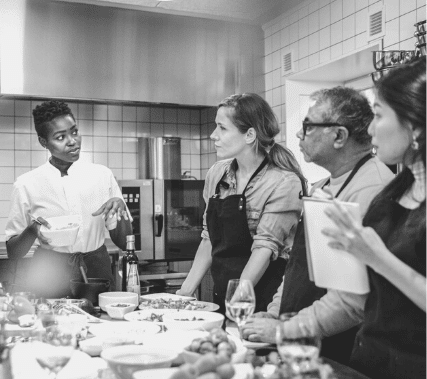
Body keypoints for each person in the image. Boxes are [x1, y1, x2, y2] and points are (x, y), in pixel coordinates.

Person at [279, 56, 425, 379]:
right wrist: (290, 324)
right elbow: (356, 292)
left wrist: (378, 258)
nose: (371, 129)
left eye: (380, 115)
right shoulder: (391, 197)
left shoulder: (376, 187)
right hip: (368, 361)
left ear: (414, 126)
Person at [240, 86, 395, 365]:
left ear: (339, 136)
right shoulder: (321, 187)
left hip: (342, 349)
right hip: (304, 341)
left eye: (308, 126)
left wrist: (284, 329)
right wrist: (276, 312)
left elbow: (351, 301)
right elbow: (300, 267)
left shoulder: (373, 190)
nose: (300, 134)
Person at [177, 93, 306, 313]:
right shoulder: (217, 174)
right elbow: (209, 238)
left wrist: (236, 302)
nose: (213, 135)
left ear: (249, 135)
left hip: (265, 303)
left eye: (222, 128)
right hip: (225, 296)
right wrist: (183, 295)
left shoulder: (284, 182)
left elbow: (264, 248)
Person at [6, 100, 132, 298]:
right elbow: (13, 252)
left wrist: (120, 209)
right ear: (43, 142)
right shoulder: (27, 184)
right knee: (51, 326)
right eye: (60, 137)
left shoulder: (102, 176)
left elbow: (125, 242)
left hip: (96, 270)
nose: (72, 141)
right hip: (49, 273)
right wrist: (33, 230)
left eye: (74, 132)